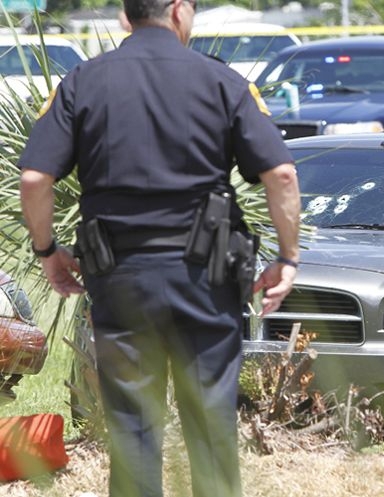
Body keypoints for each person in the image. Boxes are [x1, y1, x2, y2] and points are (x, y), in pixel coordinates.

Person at [18, 0, 301, 496]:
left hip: (121, 280)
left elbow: (36, 177)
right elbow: (280, 174)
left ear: (127, 15)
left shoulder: (82, 82)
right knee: (212, 425)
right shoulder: (223, 82)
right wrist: (287, 258)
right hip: (205, 280)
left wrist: (47, 251)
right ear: (177, 9)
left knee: (132, 428)